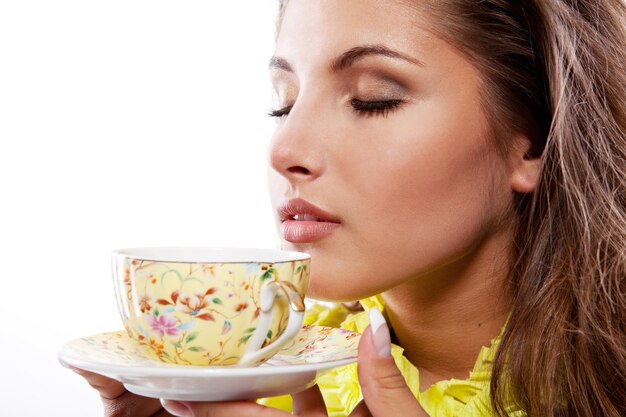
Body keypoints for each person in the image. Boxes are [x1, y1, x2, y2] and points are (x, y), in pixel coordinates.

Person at [74, 0, 626, 416]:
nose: (284, 151)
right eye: (282, 105)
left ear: (531, 141)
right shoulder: (262, 384)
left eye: (373, 98)